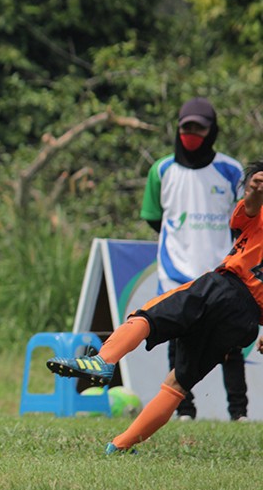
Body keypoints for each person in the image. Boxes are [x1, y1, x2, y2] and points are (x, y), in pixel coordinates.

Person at [49, 160, 263, 454]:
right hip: (245, 322)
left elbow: (250, 207)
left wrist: (254, 190)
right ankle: (121, 445)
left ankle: (104, 360)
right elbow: (252, 204)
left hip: (222, 289)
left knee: (147, 316)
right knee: (178, 384)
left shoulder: (258, 216)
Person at [140, 96, 247, 421]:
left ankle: (239, 413)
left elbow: (243, 220)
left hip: (221, 273)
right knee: (177, 343)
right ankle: (184, 411)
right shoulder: (162, 170)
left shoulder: (231, 170)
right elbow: (153, 217)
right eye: (186, 128)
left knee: (230, 345)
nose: (191, 135)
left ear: (212, 130)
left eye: (199, 128)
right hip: (176, 272)